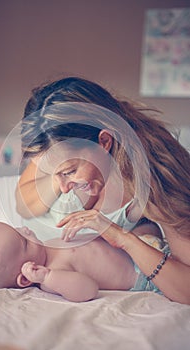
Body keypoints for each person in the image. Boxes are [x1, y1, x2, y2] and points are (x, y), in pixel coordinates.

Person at [15, 76, 190, 304]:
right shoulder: (52, 143)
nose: (64, 189)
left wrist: (122, 238)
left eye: (69, 170)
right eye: (48, 170)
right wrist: (58, 170)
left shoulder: (157, 178)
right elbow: (22, 205)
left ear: (104, 141)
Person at [0, 221, 163, 302]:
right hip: (144, 274)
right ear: (26, 277)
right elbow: (88, 290)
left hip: (139, 246)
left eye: (17, 229)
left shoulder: (46, 246)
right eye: (23, 240)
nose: (25, 229)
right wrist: (47, 276)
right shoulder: (52, 274)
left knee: (151, 224)